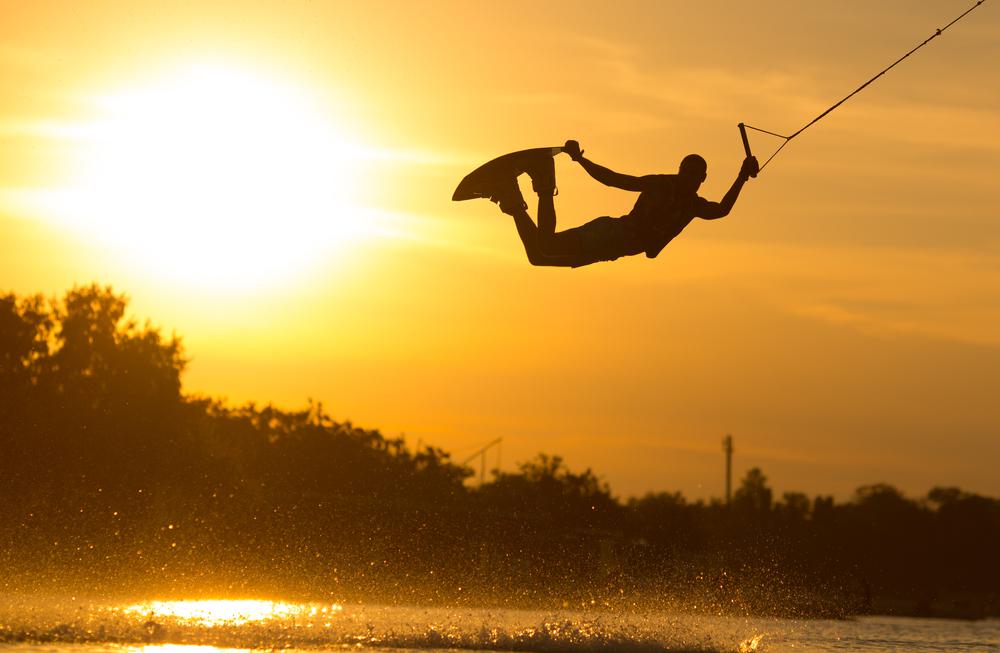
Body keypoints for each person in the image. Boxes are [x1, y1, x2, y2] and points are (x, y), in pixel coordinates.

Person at [486, 140, 759, 268]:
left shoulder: (692, 205)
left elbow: (721, 210)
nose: (686, 179)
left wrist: (742, 176)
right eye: (683, 173)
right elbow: (614, 180)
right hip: (610, 234)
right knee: (546, 246)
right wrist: (580, 161)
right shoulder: (663, 185)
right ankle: (544, 181)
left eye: (692, 176)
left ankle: (511, 199)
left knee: (538, 257)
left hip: (613, 247)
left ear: (702, 179)